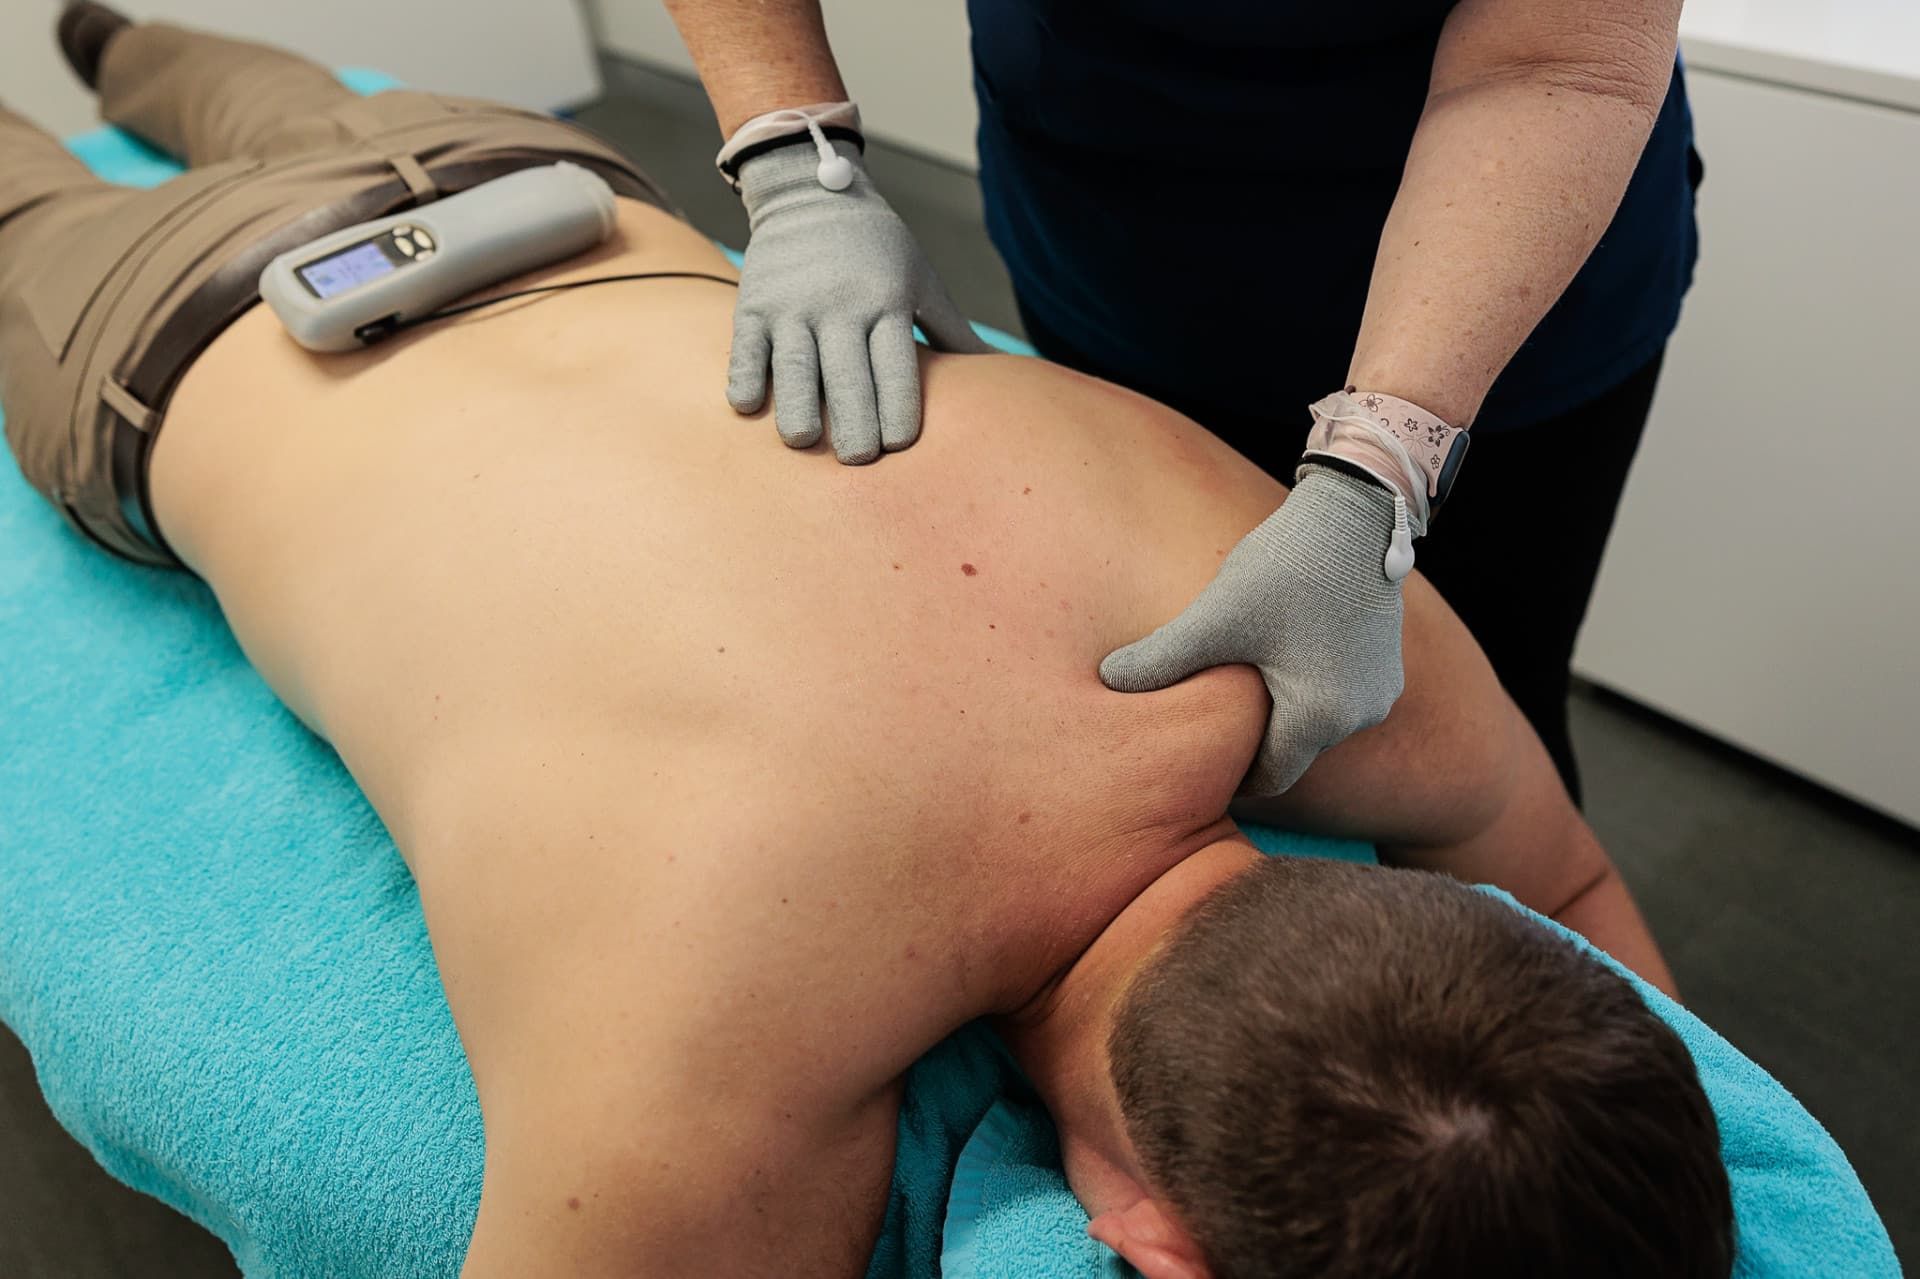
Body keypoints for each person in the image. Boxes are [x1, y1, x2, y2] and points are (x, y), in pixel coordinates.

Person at [0, 15, 1730, 1277]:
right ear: (1154, 1245)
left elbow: (1572, 896)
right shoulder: (708, 1066)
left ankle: (115, 35)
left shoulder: (1311, 622)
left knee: (258, 90)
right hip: (181, 328)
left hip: (545, 192)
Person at [664, 0, 1703, 805]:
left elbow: (1555, 57)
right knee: (1166, 716)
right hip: (1110, 212)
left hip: (1495, 249)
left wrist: (1379, 469)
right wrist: (793, 164)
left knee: (1478, 722)